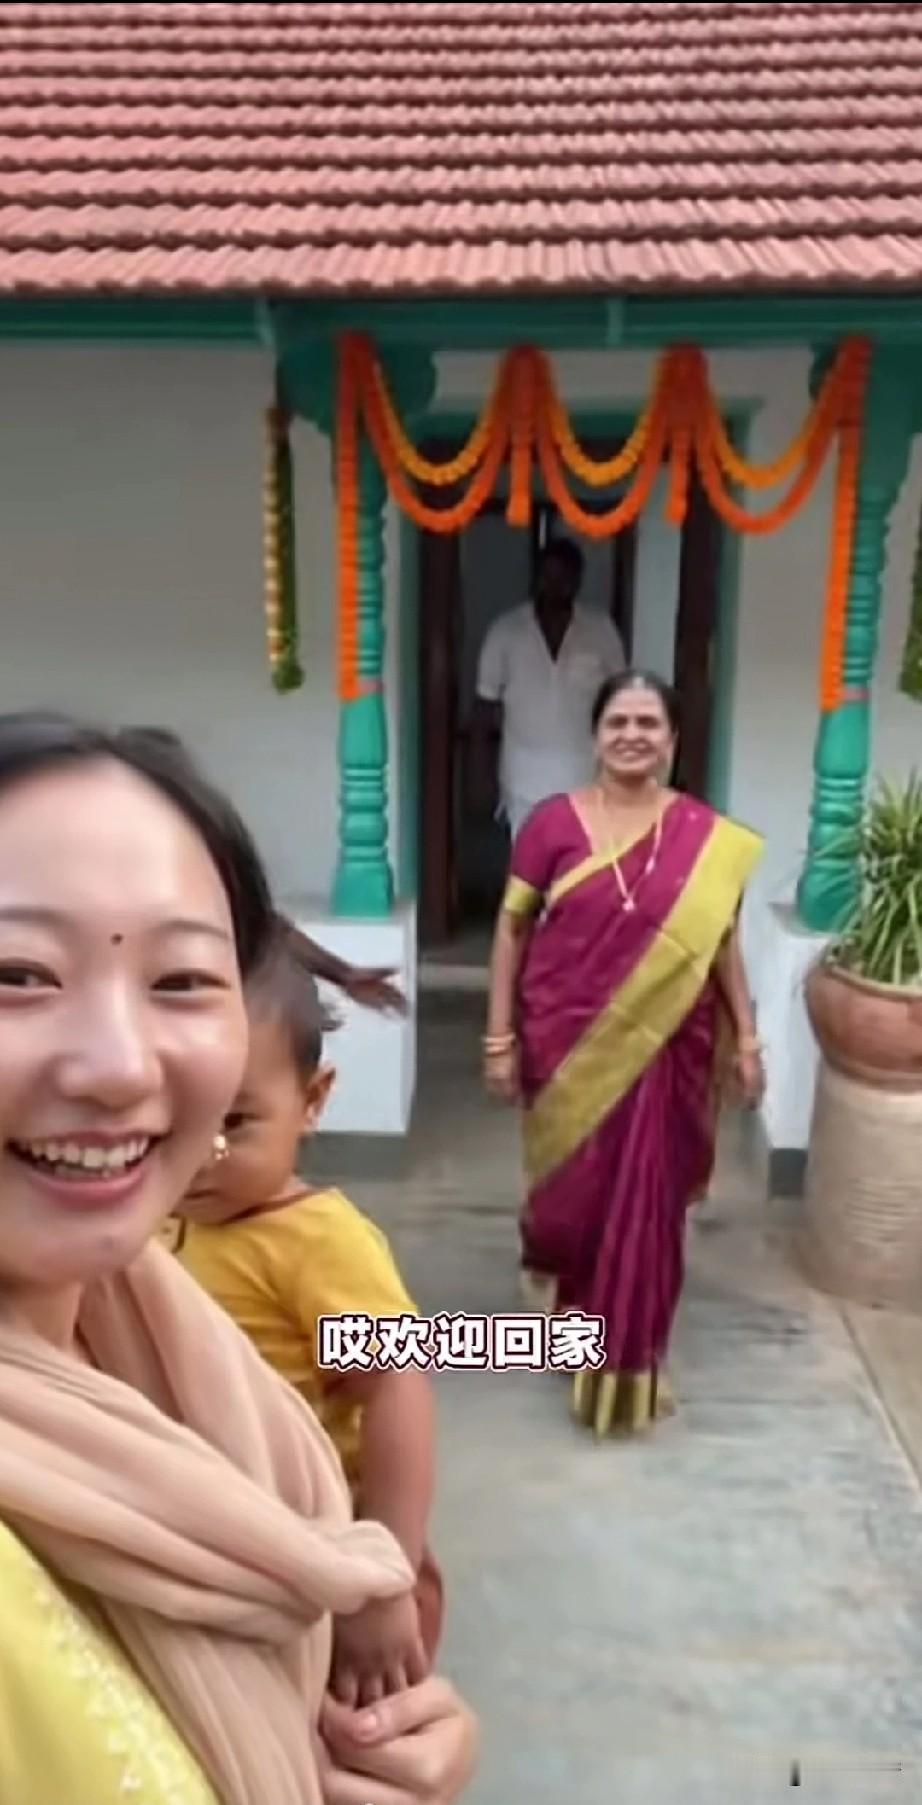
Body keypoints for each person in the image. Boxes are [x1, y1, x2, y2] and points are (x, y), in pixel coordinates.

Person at [0, 710, 476, 1805]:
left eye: (180, 981)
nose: (121, 1068)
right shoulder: (164, 1232)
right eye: (16, 972)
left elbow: (401, 1365)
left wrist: (383, 1580)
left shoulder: (190, 1282)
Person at [482, 671, 764, 1439]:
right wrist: (499, 1036)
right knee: (567, 1201)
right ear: (595, 734)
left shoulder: (705, 837)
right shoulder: (553, 824)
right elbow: (511, 930)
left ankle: (629, 1353)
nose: (632, 735)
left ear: (672, 739)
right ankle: (560, 1275)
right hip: (564, 1035)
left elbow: (722, 945)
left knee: (647, 1201)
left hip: (669, 1044)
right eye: (618, 721)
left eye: (648, 722)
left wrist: (747, 1037)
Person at [170, 915, 442, 1707]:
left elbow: (396, 1386)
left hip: (313, 1550)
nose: (200, 1154)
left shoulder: (318, 1241)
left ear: (313, 1100)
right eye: (174, 1120)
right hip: (206, 1538)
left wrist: (382, 1575)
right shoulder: (145, 1222)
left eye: (234, 1122)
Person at [471, 537, 625, 839]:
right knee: (531, 865)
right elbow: (483, 708)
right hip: (523, 785)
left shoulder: (601, 630)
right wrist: (479, 777)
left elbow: (620, 701)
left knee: (579, 865)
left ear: (577, 581)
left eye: (564, 578)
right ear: (536, 577)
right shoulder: (505, 631)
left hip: (586, 781)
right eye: (548, 576)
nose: (555, 586)